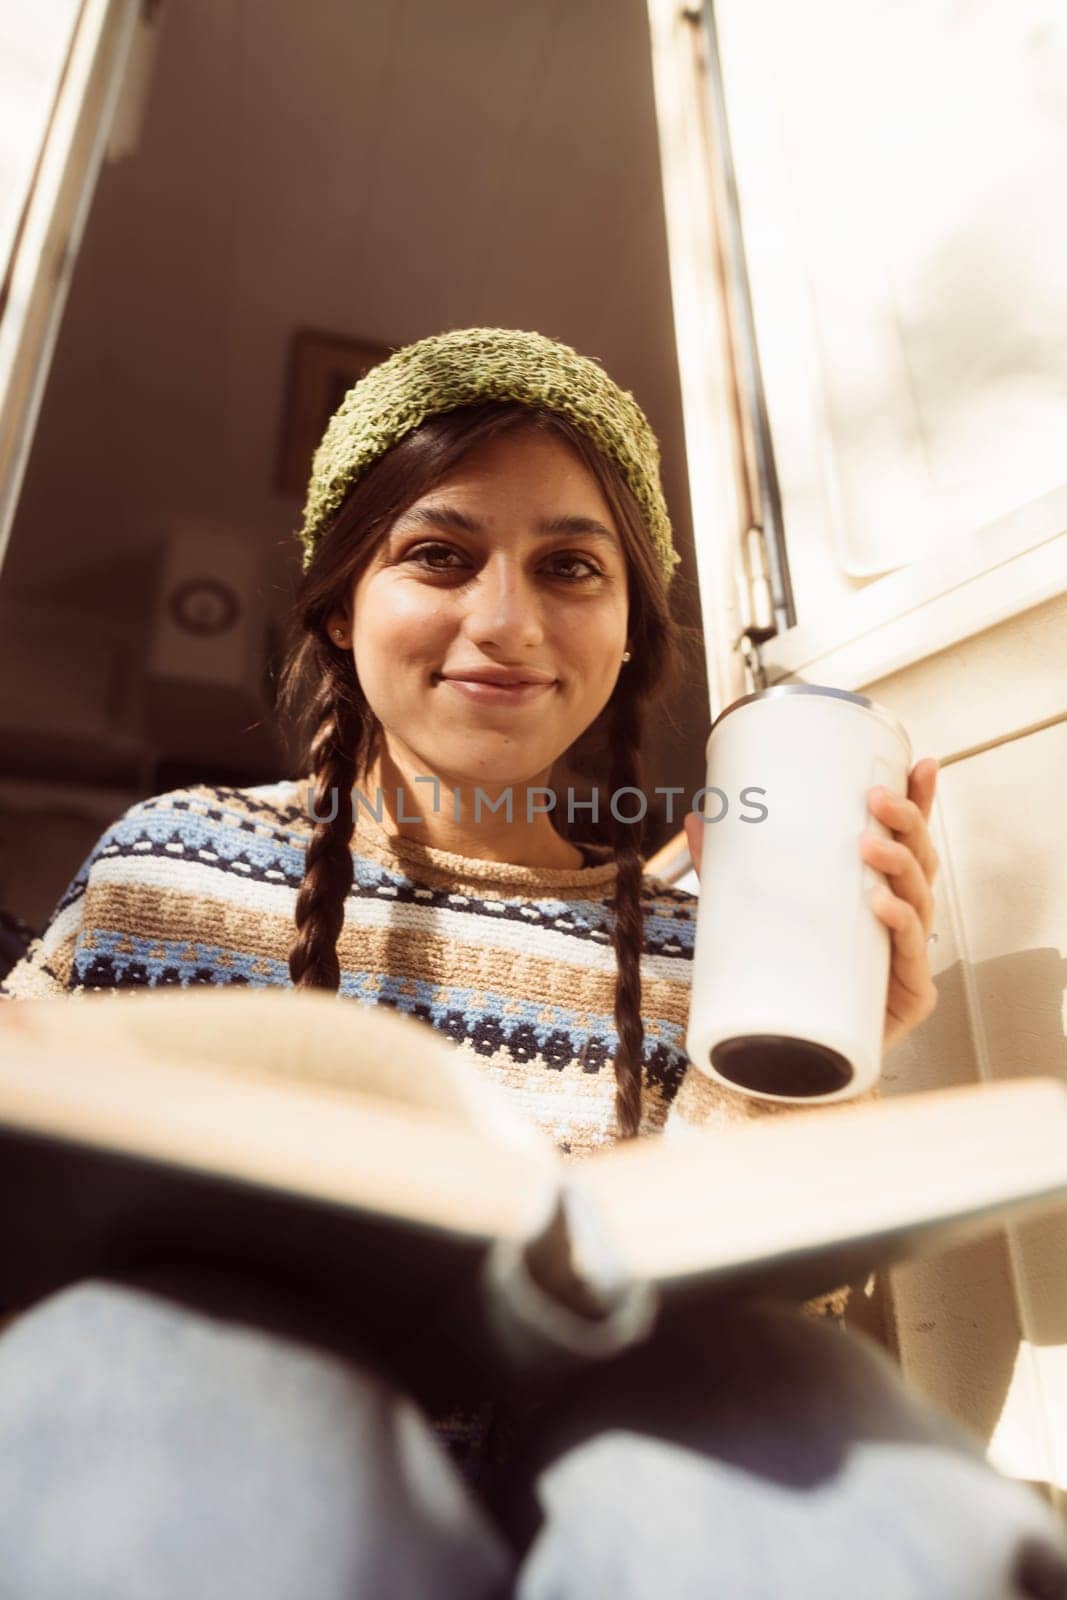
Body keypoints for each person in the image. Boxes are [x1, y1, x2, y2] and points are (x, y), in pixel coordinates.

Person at [0, 326, 1063, 1599]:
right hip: (227, 1476)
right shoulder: (165, 861)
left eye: (569, 567)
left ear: (625, 633)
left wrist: (810, 1061)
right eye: (439, 556)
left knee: (786, 1391)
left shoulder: (704, 949)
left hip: (601, 1495)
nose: (503, 623)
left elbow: (750, 1331)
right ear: (342, 602)